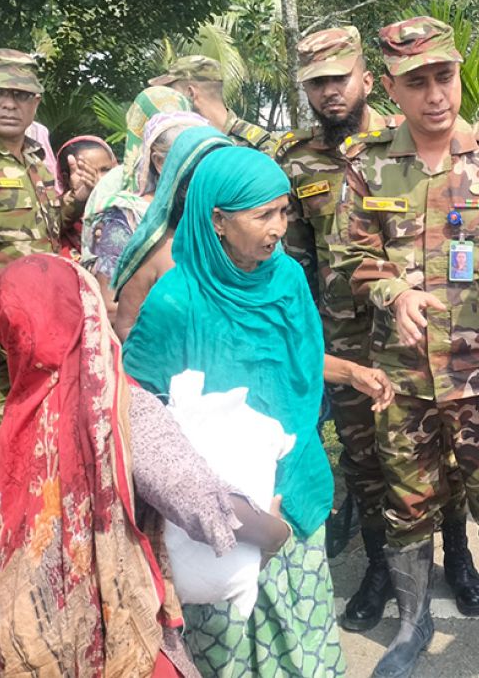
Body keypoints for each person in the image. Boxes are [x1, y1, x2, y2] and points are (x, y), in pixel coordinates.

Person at [124, 146, 390, 677]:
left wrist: (350, 372)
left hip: (294, 482)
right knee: (231, 645)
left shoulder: (286, 278)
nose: (279, 228)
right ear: (217, 220)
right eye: (262, 215)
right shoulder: (177, 302)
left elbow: (297, 354)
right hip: (223, 510)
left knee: (305, 639)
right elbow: (137, 405)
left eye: (283, 212)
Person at [341, 16, 479, 678]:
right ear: (391, 89)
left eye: (444, 77)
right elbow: (355, 254)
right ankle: (413, 623)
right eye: (417, 83)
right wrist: (393, 293)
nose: (435, 95)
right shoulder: (368, 163)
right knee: (406, 505)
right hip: (400, 382)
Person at [0, 253, 293, 678]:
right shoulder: (116, 409)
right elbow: (196, 497)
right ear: (85, 310)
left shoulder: (20, 416)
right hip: (116, 637)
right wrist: (276, 532)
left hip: (25, 634)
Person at [277, 25, 479, 631]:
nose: (329, 93)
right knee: (368, 463)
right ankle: (378, 567)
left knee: (445, 460)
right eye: (316, 84)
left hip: (424, 340)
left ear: (369, 79)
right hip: (346, 345)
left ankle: (459, 557)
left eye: (338, 79)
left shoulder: (410, 135)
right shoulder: (297, 160)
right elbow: (297, 263)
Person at [0, 48, 98, 500]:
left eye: (22, 95)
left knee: (40, 474)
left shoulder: (31, 157)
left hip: (42, 347)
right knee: (4, 484)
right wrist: (25, 333)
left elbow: (39, 237)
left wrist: (75, 202)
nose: (11, 104)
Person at [109, 126, 234, 340]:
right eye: (208, 181)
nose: (221, 191)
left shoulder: (255, 249)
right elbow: (127, 326)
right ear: (183, 186)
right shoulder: (158, 251)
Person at [82, 111, 212, 311]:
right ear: (159, 162)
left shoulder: (216, 213)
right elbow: (109, 306)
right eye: (191, 157)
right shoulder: (128, 217)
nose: (204, 169)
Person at [152, 55, 282, 154]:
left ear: (190, 93)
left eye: (172, 93)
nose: (169, 101)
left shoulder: (259, 145)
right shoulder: (178, 146)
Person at [54, 135, 117, 256]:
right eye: (86, 172)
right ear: (66, 178)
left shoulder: (131, 209)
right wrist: (77, 199)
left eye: (105, 170)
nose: (98, 179)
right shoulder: (54, 215)